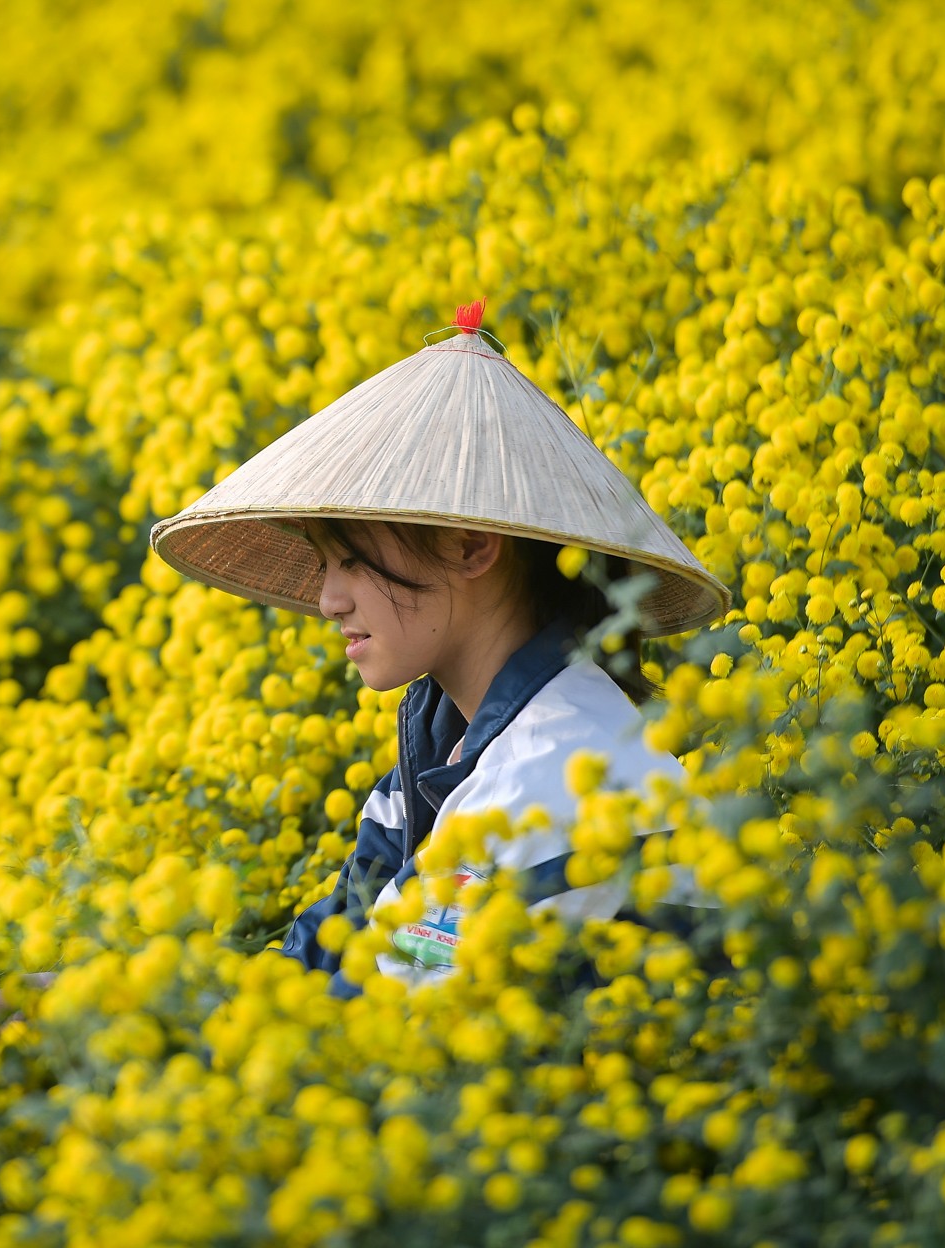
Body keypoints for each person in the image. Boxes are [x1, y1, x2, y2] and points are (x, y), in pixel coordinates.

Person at [148, 300, 730, 997]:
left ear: (470, 545)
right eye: (326, 564)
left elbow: (381, 1024)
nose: (329, 601)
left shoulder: (560, 778)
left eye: (351, 562)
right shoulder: (440, 756)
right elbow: (313, 968)